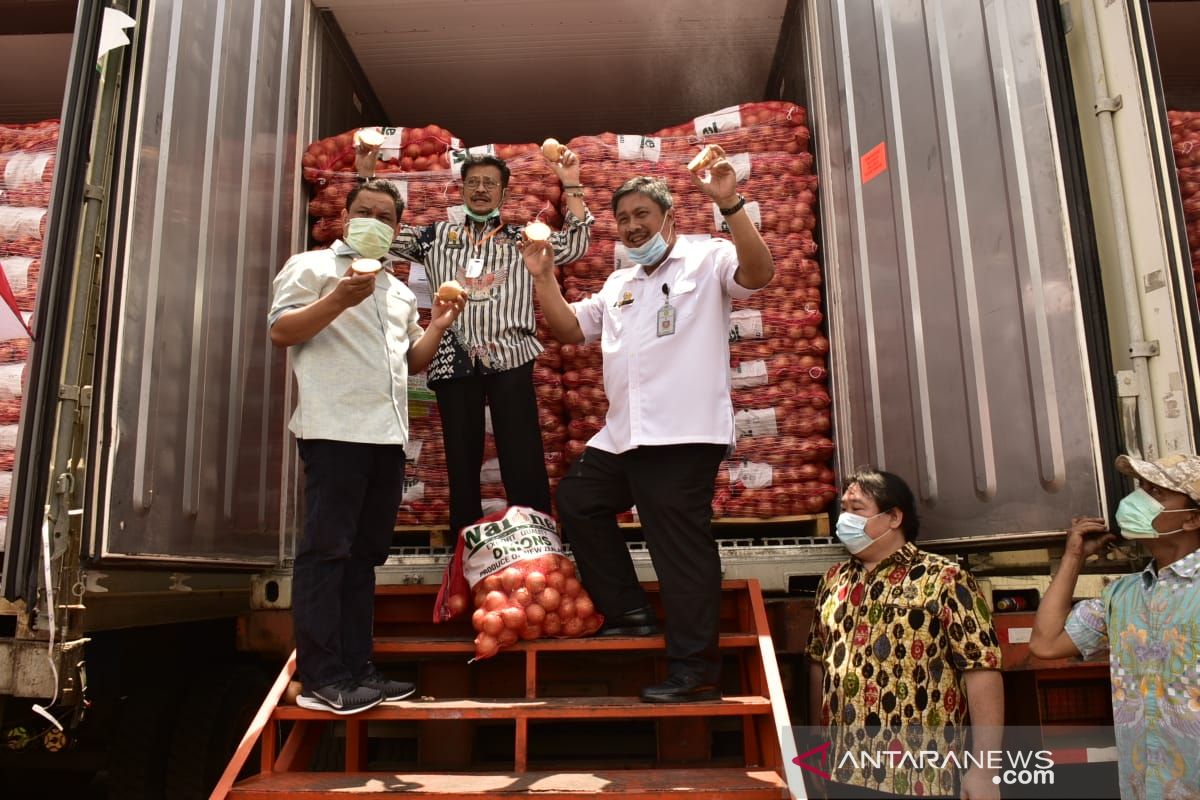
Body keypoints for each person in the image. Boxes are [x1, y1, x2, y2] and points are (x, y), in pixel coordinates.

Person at [522, 146, 775, 703]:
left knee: (677, 549)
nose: (633, 226)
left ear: (668, 218)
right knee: (580, 499)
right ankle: (630, 610)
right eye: (624, 219)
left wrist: (730, 203)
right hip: (624, 435)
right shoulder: (621, 285)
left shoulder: (708, 259)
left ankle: (695, 670)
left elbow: (759, 274)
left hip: (682, 435)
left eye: (643, 215)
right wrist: (544, 278)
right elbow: (569, 330)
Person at [269, 178, 464, 715]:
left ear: (397, 229)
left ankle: (359, 669)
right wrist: (338, 299)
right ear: (345, 216)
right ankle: (319, 678)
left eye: (385, 216)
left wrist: (442, 323)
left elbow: (411, 363)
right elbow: (282, 332)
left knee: (363, 557)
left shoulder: (398, 291)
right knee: (326, 552)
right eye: (364, 211)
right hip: (334, 431)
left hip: (386, 438)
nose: (374, 222)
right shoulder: (311, 268)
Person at [357, 142, 593, 542]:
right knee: (460, 460)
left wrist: (572, 184)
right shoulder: (434, 237)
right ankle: (463, 545)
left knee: (523, 456)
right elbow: (378, 237)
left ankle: (537, 539)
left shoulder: (523, 238)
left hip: (511, 355)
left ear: (505, 193)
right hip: (453, 357)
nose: (481, 190)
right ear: (461, 189)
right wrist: (366, 178)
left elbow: (576, 244)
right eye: (473, 183)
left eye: (490, 184)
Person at [806, 468, 1004, 799]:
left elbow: (981, 668)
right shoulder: (833, 581)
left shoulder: (943, 579)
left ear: (894, 517)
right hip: (842, 770)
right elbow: (817, 662)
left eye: (857, 509)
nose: (845, 519)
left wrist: (985, 770)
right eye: (844, 509)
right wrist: (815, 749)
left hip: (921, 776)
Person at [1030, 453, 1200, 800]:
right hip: (1143, 788)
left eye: (1157, 492)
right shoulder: (1122, 594)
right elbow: (1045, 644)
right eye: (1142, 488)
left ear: (1192, 518)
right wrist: (1074, 556)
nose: (1139, 499)